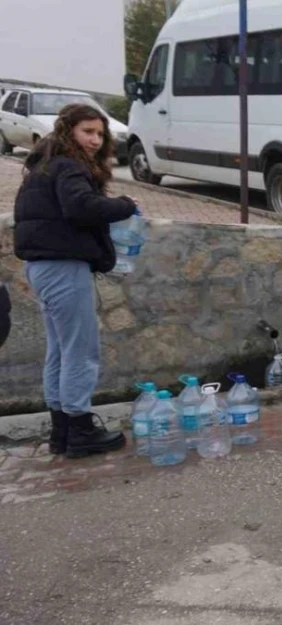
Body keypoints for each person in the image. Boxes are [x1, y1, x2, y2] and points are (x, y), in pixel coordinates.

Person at [13, 104, 137, 458]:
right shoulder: (68, 166)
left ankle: (62, 430)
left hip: (42, 267)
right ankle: (79, 429)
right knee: (81, 351)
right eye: (88, 132)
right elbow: (81, 208)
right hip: (63, 266)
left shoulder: (43, 166)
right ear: (68, 131)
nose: (96, 140)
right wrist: (125, 205)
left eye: (100, 134)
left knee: (60, 350)